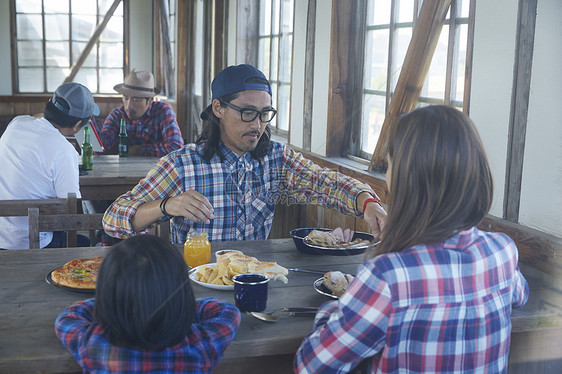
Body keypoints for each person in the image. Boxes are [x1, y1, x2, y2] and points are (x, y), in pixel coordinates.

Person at [293, 105, 529, 373]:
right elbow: (519, 296)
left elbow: (311, 365)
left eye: (390, 164)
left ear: (406, 180)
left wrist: (335, 310)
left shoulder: (386, 277)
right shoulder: (502, 252)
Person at [103, 64, 387, 243]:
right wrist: (165, 206)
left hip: (254, 279)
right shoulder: (182, 165)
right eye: (248, 113)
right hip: (194, 288)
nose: (257, 125)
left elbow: (327, 183)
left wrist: (367, 203)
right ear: (218, 109)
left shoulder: (277, 159)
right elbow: (112, 219)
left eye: (265, 114)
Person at [55, 234, 241, 373]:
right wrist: (168, 299)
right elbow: (227, 311)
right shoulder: (199, 344)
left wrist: (116, 296)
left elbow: (68, 318)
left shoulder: (95, 343)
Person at [0, 82, 99, 249]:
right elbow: (71, 210)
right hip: (33, 242)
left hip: (1, 236)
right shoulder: (65, 151)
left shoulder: (16, 123)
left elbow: (38, 118)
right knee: (87, 243)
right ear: (76, 126)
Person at [98, 69, 184, 157]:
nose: (128, 106)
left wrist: (138, 150)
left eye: (136, 99)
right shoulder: (117, 115)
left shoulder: (162, 111)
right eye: (125, 98)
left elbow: (176, 147)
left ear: (150, 100)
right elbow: (100, 146)